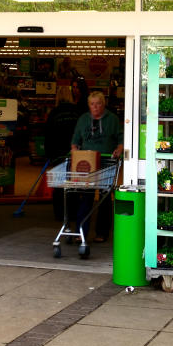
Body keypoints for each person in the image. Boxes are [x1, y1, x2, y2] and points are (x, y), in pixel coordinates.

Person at [70, 90, 123, 243]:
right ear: (89, 105)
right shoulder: (83, 120)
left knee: (104, 198)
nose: (95, 107)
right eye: (92, 104)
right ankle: (81, 232)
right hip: (87, 163)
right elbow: (75, 139)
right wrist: (74, 150)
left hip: (107, 162)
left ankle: (102, 232)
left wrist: (119, 149)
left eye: (98, 104)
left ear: (103, 104)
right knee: (85, 197)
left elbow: (120, 137)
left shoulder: (112, 119)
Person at [44, 85, 84, 222]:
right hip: (74, 152)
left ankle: (60, 213)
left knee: (59, 184)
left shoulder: (54, 113)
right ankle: (73, 212)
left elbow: (48, 135)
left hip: (57, 153)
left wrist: (48, 154)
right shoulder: (77, 112)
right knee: (74, 182)